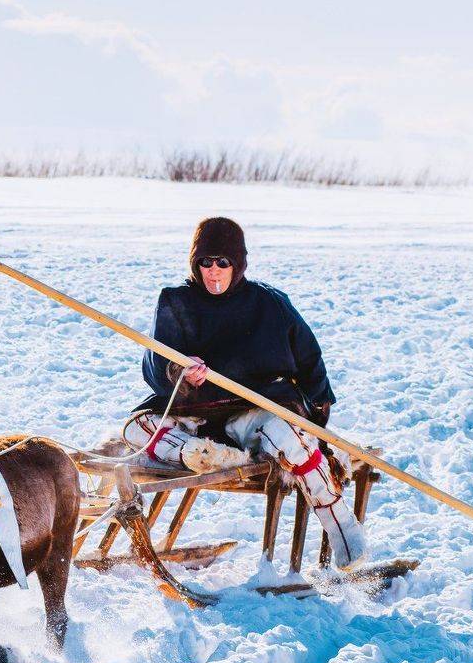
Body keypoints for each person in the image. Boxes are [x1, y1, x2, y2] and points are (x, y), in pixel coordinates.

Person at [122, 216, 367, 569]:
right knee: (136, 427)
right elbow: (154, 360)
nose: (214, 271)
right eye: (205, 262)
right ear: (195, 262)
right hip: (195, 414)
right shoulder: (175, 301)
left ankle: (341, 525)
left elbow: (310, 357)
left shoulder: (269, 304)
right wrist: (179, 371)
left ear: (238, 264)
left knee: (287, 434)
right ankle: (199, 454)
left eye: (224, 262)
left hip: (253, 412)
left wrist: (319, 412)